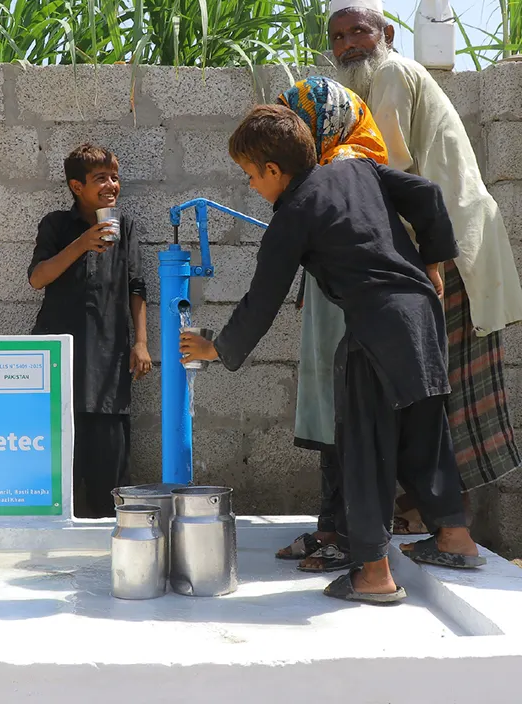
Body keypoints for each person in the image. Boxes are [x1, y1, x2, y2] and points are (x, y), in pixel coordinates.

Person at [181, 105, 484, 605]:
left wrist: (219, 347)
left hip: (374, 327)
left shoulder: (292, 216)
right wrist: (431, 262)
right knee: (426, 433)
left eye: (252, 176)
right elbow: (427, 193)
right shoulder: (356, 167)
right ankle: (455, 538)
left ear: (274, 171)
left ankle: (373, 574)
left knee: (362, 448)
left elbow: (263, 299)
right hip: (423, 316)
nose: (252, 186)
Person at [327, 0, 522, 533]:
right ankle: (431, 513)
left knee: (439, 384)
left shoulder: (392, 76)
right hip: (445, 244)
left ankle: (437, 517)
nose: (347, 45)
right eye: (338, 36)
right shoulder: (380, 82)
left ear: (386, 35)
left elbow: (389, 169)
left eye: (358, 31)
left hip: (446, 251)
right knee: (442, 382)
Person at [273, 76, 389, 573]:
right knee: (326, 413)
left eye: (298, 125)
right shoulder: (330, 161)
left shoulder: (347, 164)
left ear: (324, 121)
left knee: (343, 413)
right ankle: (328, 527)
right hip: (328, 304)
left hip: (350, 305)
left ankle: (346, 535)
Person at [28, 143, 152, 518]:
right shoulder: (56, 225)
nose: (111, 184)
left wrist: (142, 343)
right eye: (101, 179)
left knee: (109, 478)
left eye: (114, 177)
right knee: (56, 471)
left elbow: (136, 286)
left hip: (109, 366)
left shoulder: (125, 228)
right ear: (76, 186)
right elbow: (37, 278)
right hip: (59, 363)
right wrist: (82, 243)